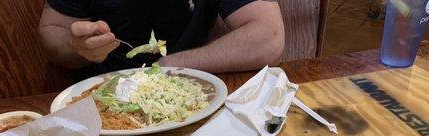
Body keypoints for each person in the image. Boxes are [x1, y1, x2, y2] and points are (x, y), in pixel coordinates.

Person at [39, 0, 285, 79]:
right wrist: (77, 46)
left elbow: (268, 36)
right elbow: (52, 30)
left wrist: (169, 65)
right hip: (100, 96)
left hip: (192, 87)